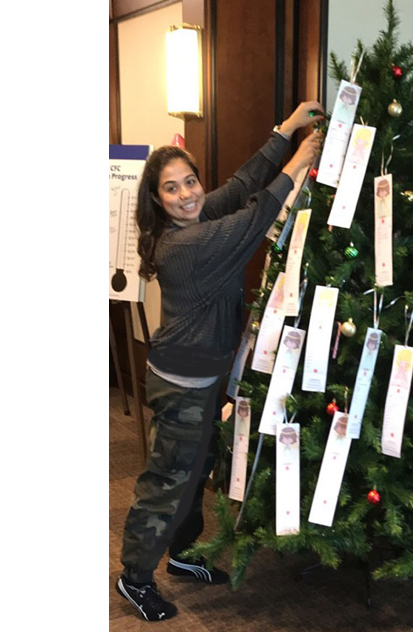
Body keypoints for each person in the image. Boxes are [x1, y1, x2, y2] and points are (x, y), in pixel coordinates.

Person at [116, 101, 325, 622]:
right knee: (167, 481)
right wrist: (298, 161)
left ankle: (181, 555)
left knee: (195, 474)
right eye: (172, 188)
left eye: (190, 182)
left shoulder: (198, 212)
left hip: (206, 377)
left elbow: (238, 185)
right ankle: (134, 577)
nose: (187, 195)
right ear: (156, 199)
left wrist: (285, 129)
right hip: (181, 382)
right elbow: (254, 213)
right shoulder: (186, 244)